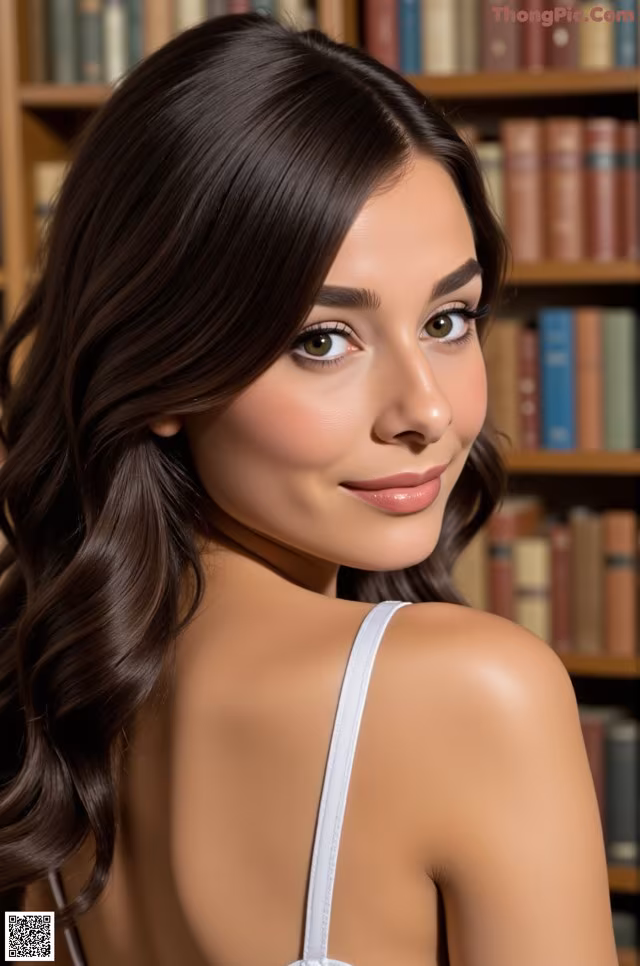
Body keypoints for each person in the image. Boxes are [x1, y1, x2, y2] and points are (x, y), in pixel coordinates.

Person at [0, 13, 618, 966]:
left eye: (450, 319)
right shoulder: (471, 694)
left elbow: (22, 948)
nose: (427, 411)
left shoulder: (40, 687)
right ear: (165, 367)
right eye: (321, 340)